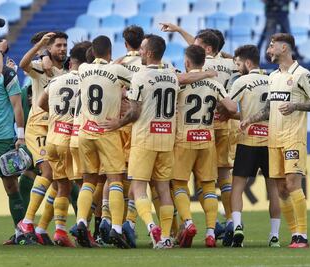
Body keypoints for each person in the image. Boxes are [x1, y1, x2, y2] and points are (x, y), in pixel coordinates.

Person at [240, 33, 310, 248]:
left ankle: (302, 235)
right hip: (273, 138)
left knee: (292, 183)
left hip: (293, 137)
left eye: (272, 46)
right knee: (281, 189)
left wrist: (295, 105)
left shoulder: (302, 74)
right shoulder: (273, 76)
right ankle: (294, 234)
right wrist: (249, 119)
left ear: (284, 48)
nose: (268, 49)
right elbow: (269, 108)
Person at [99, 34, 179, 249]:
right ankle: (166, 237)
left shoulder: (140, 77)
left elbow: (134, 112)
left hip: (145, 137)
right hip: (167, 138)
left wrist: (117, 123)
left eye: (142, 49)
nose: (139, 52)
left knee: (138, 188)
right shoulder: (172, 75)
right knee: (163, 190)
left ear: (150, 53)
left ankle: (153, 228)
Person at [172, 44, 238, 248]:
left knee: (179, 184)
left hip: (184, 138)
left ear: (187, 62)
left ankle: (189, 223)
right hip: (207, 139)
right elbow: (233, 107)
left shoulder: (181, 81)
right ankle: (210, 232)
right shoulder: (215, 83)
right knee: (209, 186)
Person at [75, 35, 132, 248]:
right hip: (107, 130)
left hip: (85, 131)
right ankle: (117, 228)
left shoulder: (82, 69)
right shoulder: (117, 71)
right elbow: (136, 85)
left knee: (89, 179)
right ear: (110, 51)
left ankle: (81, 221)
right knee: (115, 179)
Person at [226, 45, 281, 247]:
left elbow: (230, 105)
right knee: (273, 190)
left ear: (248, 63)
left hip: (248, 141)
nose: (238, 67)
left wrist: (235, 114)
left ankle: (238, 226)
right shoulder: (273, 80)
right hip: (271, 142)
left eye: (239, 63)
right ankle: (274, 235)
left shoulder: (242, 81)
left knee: (237, 188)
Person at [37, 41, 91, 247]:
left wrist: (57, 117)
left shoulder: (57, 80)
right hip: (72, 140)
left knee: (62, 186)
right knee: (84, 184)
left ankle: (57, 230)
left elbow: (41, 102)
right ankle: (81, 228)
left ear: (71, 62)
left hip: (53, 138)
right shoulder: (88, 81)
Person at [17, 31, 68, 244]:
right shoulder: (40, 66)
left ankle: (42, 228)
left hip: (57, 129)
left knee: (60, 181)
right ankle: (26, 222)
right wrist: (39, 47)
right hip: (38, 127)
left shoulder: (67, 71)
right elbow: (22, 64)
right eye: (58, 46)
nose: (62, 49)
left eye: (65, 45)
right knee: (48, 171)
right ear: (50, 48)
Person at [0, 40, 28, 244]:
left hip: (3, 139)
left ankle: (21, 233)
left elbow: (17, 106)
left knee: (11, 187)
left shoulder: (7, 75)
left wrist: (21, 135)